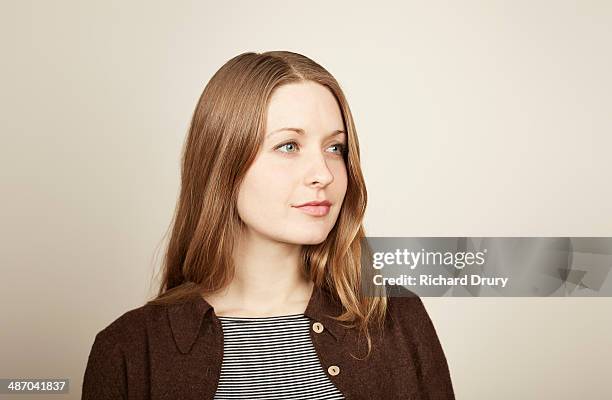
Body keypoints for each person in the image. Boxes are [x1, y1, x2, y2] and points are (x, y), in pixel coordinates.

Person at [82, 51, 455, 399]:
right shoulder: (127, 350)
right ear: (222, 163)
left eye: (335, 148)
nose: (322, 174)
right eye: (289, 146)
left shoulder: (398, 318)